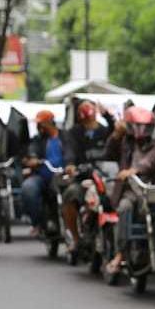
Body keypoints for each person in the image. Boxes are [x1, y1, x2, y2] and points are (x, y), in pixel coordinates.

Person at [103, 106, 155, 275]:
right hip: (130, 190)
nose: (141, 130)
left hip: (152, 188)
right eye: (137, 126)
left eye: (144, 126)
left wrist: (134, 170)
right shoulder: (124, 143)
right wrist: (115, 134)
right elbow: (108, 153)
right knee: (124, 208)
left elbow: (150, 162)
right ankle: (120, 253)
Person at [60, 100, 118, 243]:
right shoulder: (73, 133)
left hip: (105, 178)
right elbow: (69, 151)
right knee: (70, 194)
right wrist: (71, 165)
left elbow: (115, 137)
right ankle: (76, 238)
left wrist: (108, 117)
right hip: (83, 177)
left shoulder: (105, 131)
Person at [21, 110, 65, 236]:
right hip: (42, 176)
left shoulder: (64, 137)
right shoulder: (37, 140)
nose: (39, 126)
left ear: (49, 123)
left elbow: (71, 152)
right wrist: (32, 159)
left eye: (41, 124)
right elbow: (32, 150)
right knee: (28, 188)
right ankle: (37, 223)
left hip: (62, 176)